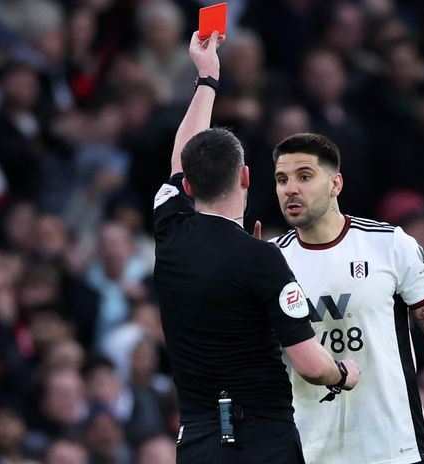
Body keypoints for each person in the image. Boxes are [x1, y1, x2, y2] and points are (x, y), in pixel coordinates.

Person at [152, 31, 360, 464]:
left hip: (197, 442)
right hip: (262, 440)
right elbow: (308, 363)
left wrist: (206, 78)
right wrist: (343, 373)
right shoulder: (262, 258)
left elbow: (179, 155)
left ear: (187, 186)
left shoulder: (169, 228)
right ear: (246, 177)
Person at [262, 133, 424, 464]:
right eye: (282, 180)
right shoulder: (268, 261)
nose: (290, 188)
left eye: (305, 176)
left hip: (392, 451)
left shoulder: (389, 245)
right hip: (306, 454)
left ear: (335, 183)